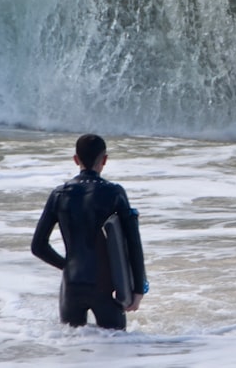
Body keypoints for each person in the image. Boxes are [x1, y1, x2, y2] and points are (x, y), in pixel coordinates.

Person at [31, 134, 148, 330]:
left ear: (76, 159)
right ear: (104, 160)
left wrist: (67, 265)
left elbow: (38, 246)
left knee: (74, 351)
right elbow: (133, 243)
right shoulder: (114, 193)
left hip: (72, 285)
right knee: (116, 349)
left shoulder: (59, 194)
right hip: (105, 286)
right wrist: (138, 289)